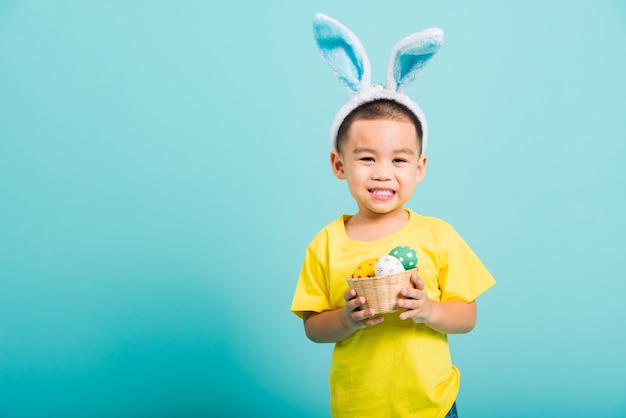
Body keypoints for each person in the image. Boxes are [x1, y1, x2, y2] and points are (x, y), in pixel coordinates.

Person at [290, 14, 495, 418]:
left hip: (432, 405)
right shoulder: (327, 243)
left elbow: (468, 315)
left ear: (419, 168)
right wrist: (345, 320)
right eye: (366, 158)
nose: (383, 172)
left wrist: (429, 310)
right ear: (339, 164)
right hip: (358, 407)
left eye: (399, 160)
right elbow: (313, 326)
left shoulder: (438, 236)